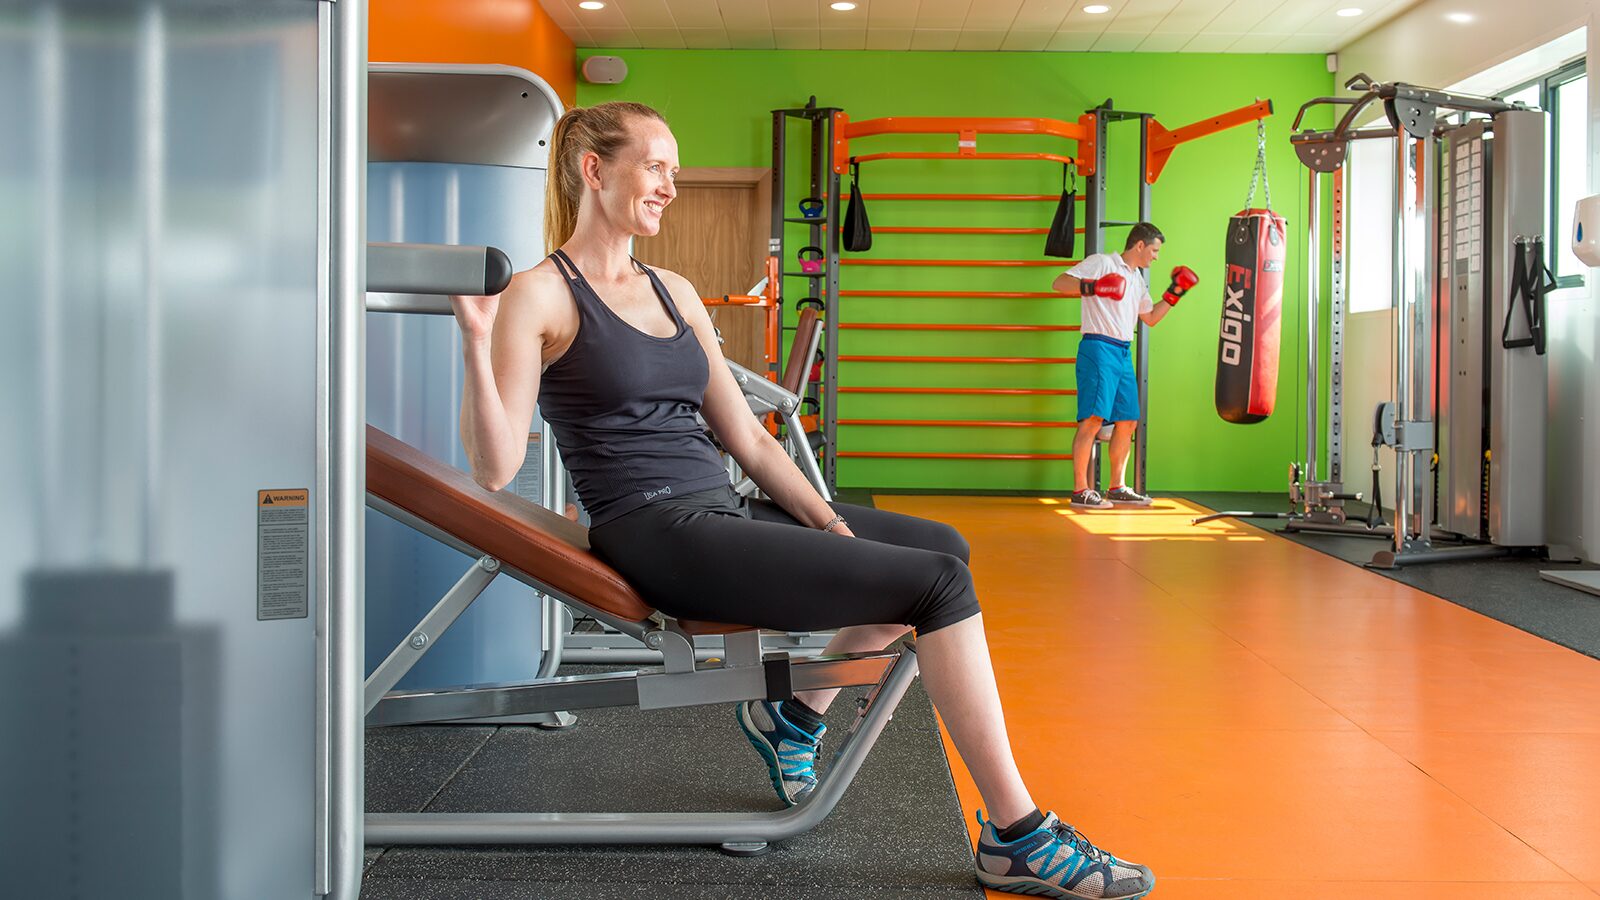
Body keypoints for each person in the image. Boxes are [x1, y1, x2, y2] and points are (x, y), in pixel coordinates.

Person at [448, 101, 1155, 900]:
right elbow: (494, 468)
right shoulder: (539, 296)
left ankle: (797, 714)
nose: (671, 186)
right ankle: (1016, 834)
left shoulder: (673, 289)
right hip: (653, 531)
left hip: (720, 508)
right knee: (938, 587)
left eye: (676, 170)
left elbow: (749, 441)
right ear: (593, 169)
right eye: (656, 166)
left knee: (943, 547)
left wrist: (831, 523)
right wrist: (477, 342)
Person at [1052, 225, 1196, 510]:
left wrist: (1175, 292)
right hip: (1098, 347)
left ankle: (1117, 487)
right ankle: (1081, 490)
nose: (1156, 257)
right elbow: (1059, 282)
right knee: (1093, 418)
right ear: (1139, 245)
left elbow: (1151, 318)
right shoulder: (1102, 262)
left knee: (1128, 420)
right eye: (1154, 250)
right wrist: (1092, 286)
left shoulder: (1137, 279)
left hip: (1122, 350)